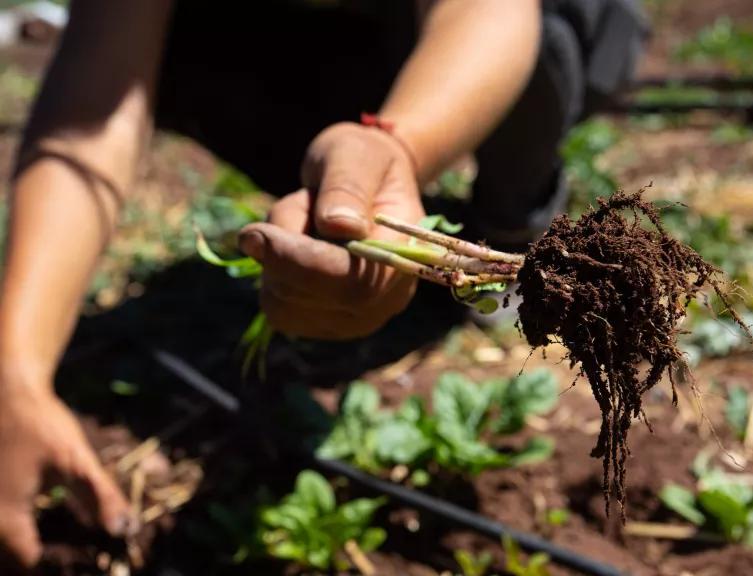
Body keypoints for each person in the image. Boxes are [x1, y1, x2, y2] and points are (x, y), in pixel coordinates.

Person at [0, 0, 647, 569]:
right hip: (330, 49)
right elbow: (89, 113)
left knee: (548, 42)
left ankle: (513, 215)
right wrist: (15, 372)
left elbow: (488, 10)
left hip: (516, 34)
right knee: (190, 48)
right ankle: (352, 175)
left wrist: (399, 146)